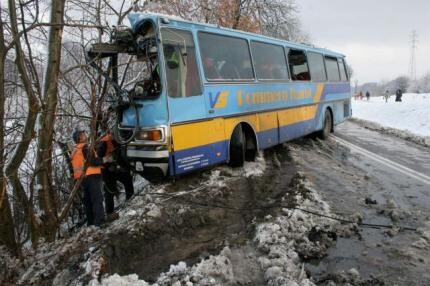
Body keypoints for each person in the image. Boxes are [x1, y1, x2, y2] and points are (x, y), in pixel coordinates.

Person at [71, 128, 110, 226]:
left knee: (88, 201)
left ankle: (91, 222)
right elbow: (91, 161)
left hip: (81, 179)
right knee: (97, 198)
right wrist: (104, 160)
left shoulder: (75, 150)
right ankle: (100, 222)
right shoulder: (85, 147)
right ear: (79, 138)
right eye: (82, 134)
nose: (85, 135)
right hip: (91, 175)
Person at [97, 124, 134, 218]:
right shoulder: (103, 143)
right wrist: (108, 164)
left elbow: (120, 156)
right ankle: (109, 213)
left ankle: (130, 198)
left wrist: (126, 167)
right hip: (106, 170)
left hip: (115, 167)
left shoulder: (117, 141)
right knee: (110, 190)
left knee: (127, 178)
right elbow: (99, 159)